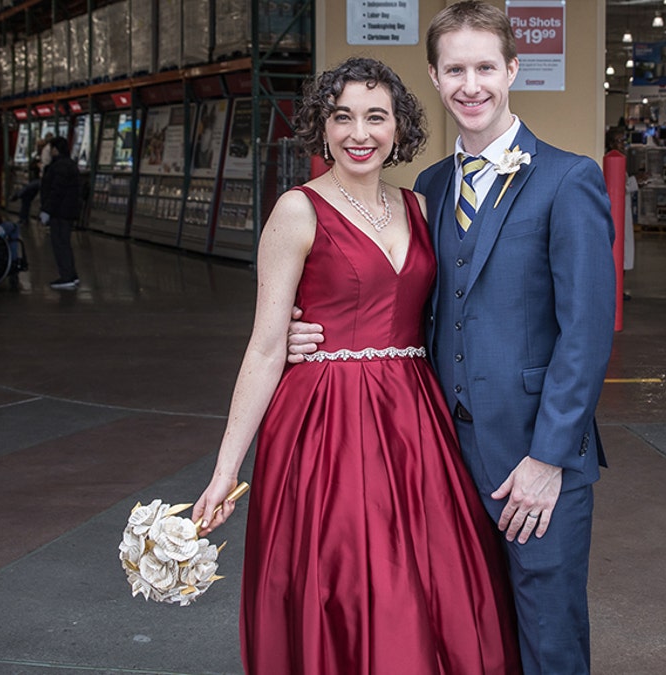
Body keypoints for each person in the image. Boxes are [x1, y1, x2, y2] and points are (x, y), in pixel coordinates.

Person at [289, 4, 616, 672]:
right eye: (456, 69)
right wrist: (312, 336)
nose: (472, 84)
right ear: (435, 79)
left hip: (535, 458)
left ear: (512, 70)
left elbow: (584, 334)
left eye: (485, 67)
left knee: (548, 634)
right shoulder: (429, 189)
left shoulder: (568, 178)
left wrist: (549, 459)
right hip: (441, 453)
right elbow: (406, 301)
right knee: (473, 632)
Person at [192, 57, 521, 674]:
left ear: (400, 127)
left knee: (430, 573)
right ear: (322, 125)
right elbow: (265, 346)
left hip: (413, 415)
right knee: (338, 573)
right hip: (324, 420)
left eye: (376, 116)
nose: (359, 133)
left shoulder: (422, 206)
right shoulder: (297, 211)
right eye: (342, 117)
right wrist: (224, 469)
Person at [39, 136, 82, 290]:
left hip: (59, 212)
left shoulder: (58, 167)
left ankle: (66, 277)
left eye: (51, 148)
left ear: (56, 149)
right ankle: (71, 275)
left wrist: (47, 210)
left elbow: (56, 191)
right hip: (67, 211)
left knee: (59, 243)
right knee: (65, 243)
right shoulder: (70, 165)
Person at [606, 125, 637, 299]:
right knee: (618, 248)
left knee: (624, 251)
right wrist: (635, 182)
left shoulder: (621, 161)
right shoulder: (612, 160)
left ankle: (619, 288)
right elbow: (617, 187)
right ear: (611, 143)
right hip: (617, 214)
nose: (622, 145)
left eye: (623, 141)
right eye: (618, 141)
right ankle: (615, 289)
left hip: (623, 213)